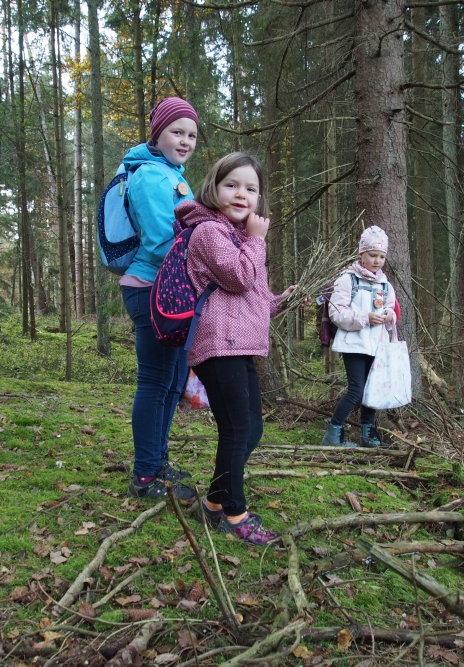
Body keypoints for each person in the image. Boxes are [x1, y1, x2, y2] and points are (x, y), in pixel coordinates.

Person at [180, 152, 296, 545]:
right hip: (216, 343)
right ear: (213, 187)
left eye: (251, 189)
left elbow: (252, 296)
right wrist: (257, 239)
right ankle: (236, 514)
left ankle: (214, 501)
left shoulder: (236, 237)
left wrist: (282, 300)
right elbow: (239, 277)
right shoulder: (209, 232)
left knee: (251, 428)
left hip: (238, 343)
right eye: (232, 185)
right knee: (235, 429)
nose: (241, 195)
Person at [121, 97, 200, 501]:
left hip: (169, 291)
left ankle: (156, 460)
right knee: (155, 383)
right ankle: (145, 475)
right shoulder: (152, 176)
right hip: (152, 290)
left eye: (191, 135)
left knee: (171, 383)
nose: (185, 141)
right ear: (158, 133)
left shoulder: (171, 174)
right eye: (177, 132)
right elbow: (159, 241)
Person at [322, 226, 397, 448]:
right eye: (372, 255)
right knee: (356, 389)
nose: (377, 261)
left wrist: (388, 316)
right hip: (354, 345)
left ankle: (368, 434)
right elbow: (336, 313)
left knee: (372, 389)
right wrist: (365, 317)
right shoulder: (347, 280)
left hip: (377, 346)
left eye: (381, 256)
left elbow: (392, 311)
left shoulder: (385, 284)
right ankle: (333, 433)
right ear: (361, 255)